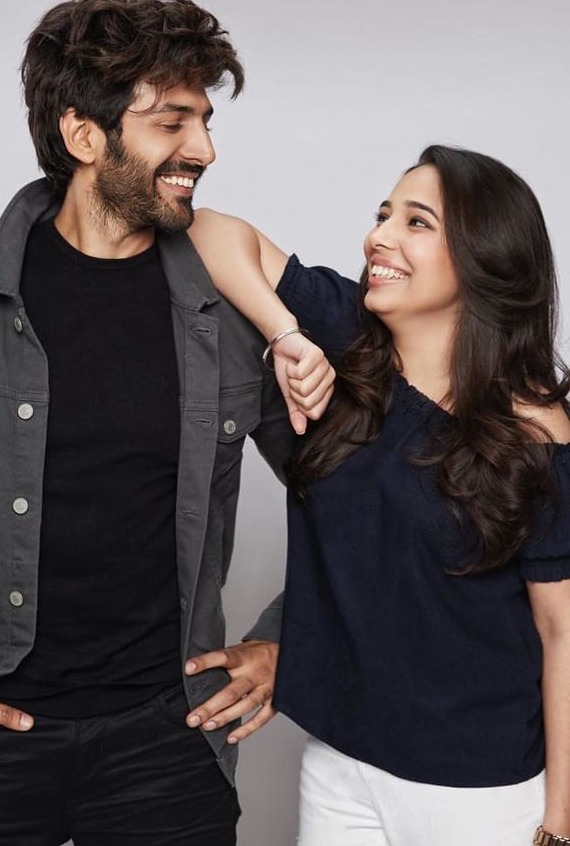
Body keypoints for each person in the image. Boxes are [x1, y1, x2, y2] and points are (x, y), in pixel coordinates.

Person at [0, 0, 330, 845]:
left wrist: (289, 640)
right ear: (83, 134)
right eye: (172, 123)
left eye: (206, 122)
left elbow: (348, 495)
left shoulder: (228, 315)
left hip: (166, 743)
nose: (204, 148)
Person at [188, 144, 570, 845]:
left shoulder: (534, 429)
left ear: (484, 258)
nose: (380, 237)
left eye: (417, 222)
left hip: (478, 791)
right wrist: (284, 336)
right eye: (382, 214)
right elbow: (207, 228)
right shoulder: (344, 333)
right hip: (341, 762)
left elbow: (562, 632)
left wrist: (562, 818)